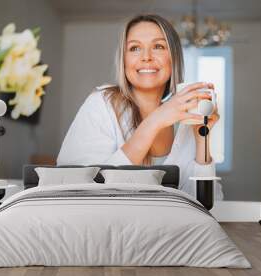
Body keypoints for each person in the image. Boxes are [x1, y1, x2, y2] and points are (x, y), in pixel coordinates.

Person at [57, 14, 223, 200]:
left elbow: (207, 203)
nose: (146, 57)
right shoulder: (101, 104)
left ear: (174, 58)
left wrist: (203, 139)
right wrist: (156, 121)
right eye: (135, 48)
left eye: (158, 46)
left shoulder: (185, 120)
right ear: (124, 60)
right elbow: (76, 189)